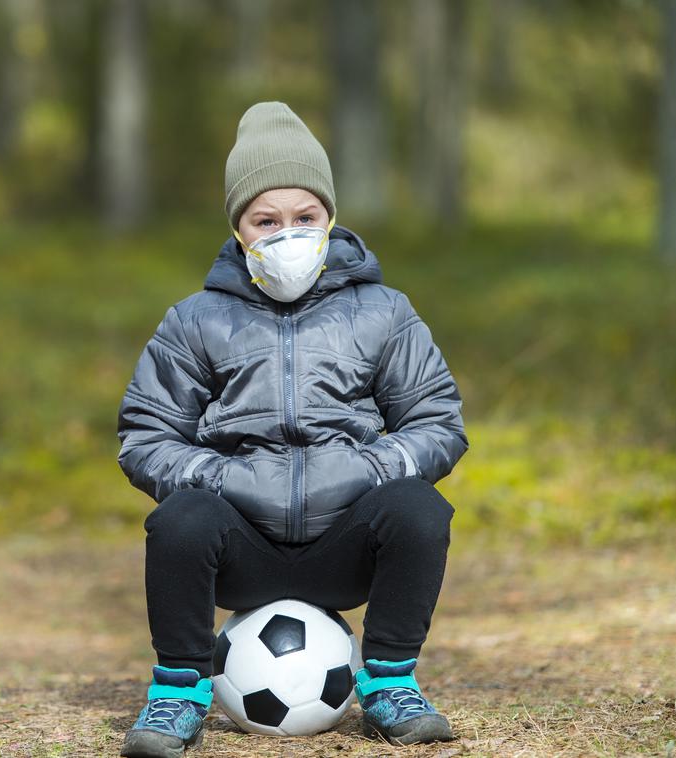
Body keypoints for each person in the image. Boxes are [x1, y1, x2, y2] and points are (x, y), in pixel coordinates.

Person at [115, 101, 469, 757]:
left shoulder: (385, 314)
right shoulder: (196, 321)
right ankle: (177, 694)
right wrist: (219, 477)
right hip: (241, 547)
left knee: (419, 508)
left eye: (305, 217)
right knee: (181, 520)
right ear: (239, 230)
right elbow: (146, 435)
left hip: (346, 545)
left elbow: (436, 422)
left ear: (330, 219)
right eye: (266, 220)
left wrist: (364, 470)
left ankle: (391, 682)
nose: (288, 234)